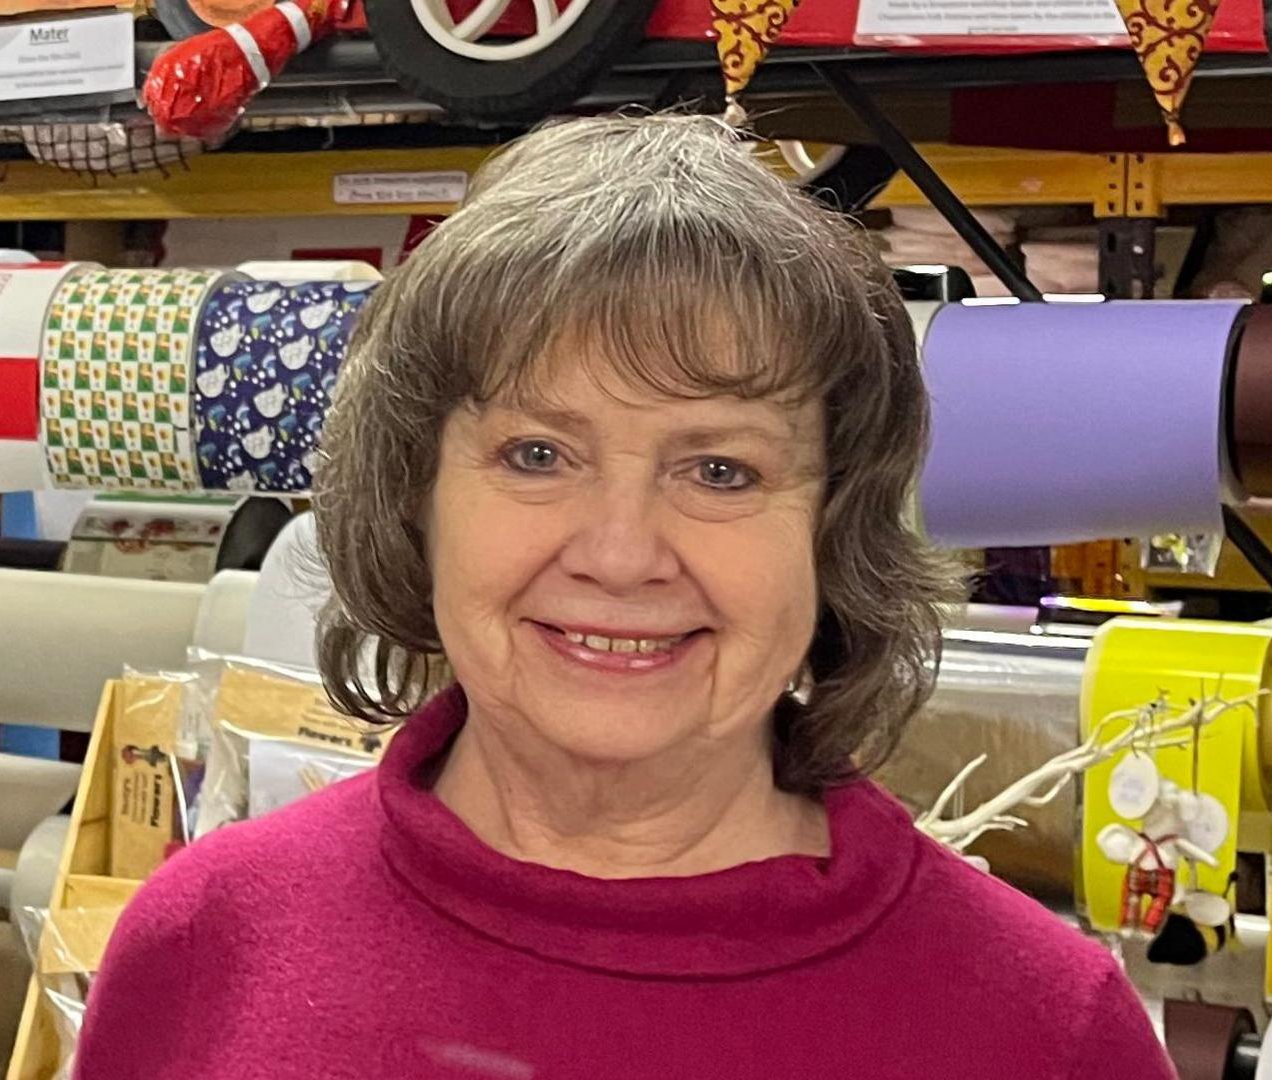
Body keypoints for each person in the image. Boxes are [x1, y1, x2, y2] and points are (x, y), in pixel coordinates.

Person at [76, 114, 1173, 1079]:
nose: (621, 551)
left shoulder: (1042, 1030)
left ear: (835, 530)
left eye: (720, 471)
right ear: (416, 494)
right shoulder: (206, 939)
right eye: (539, 454)